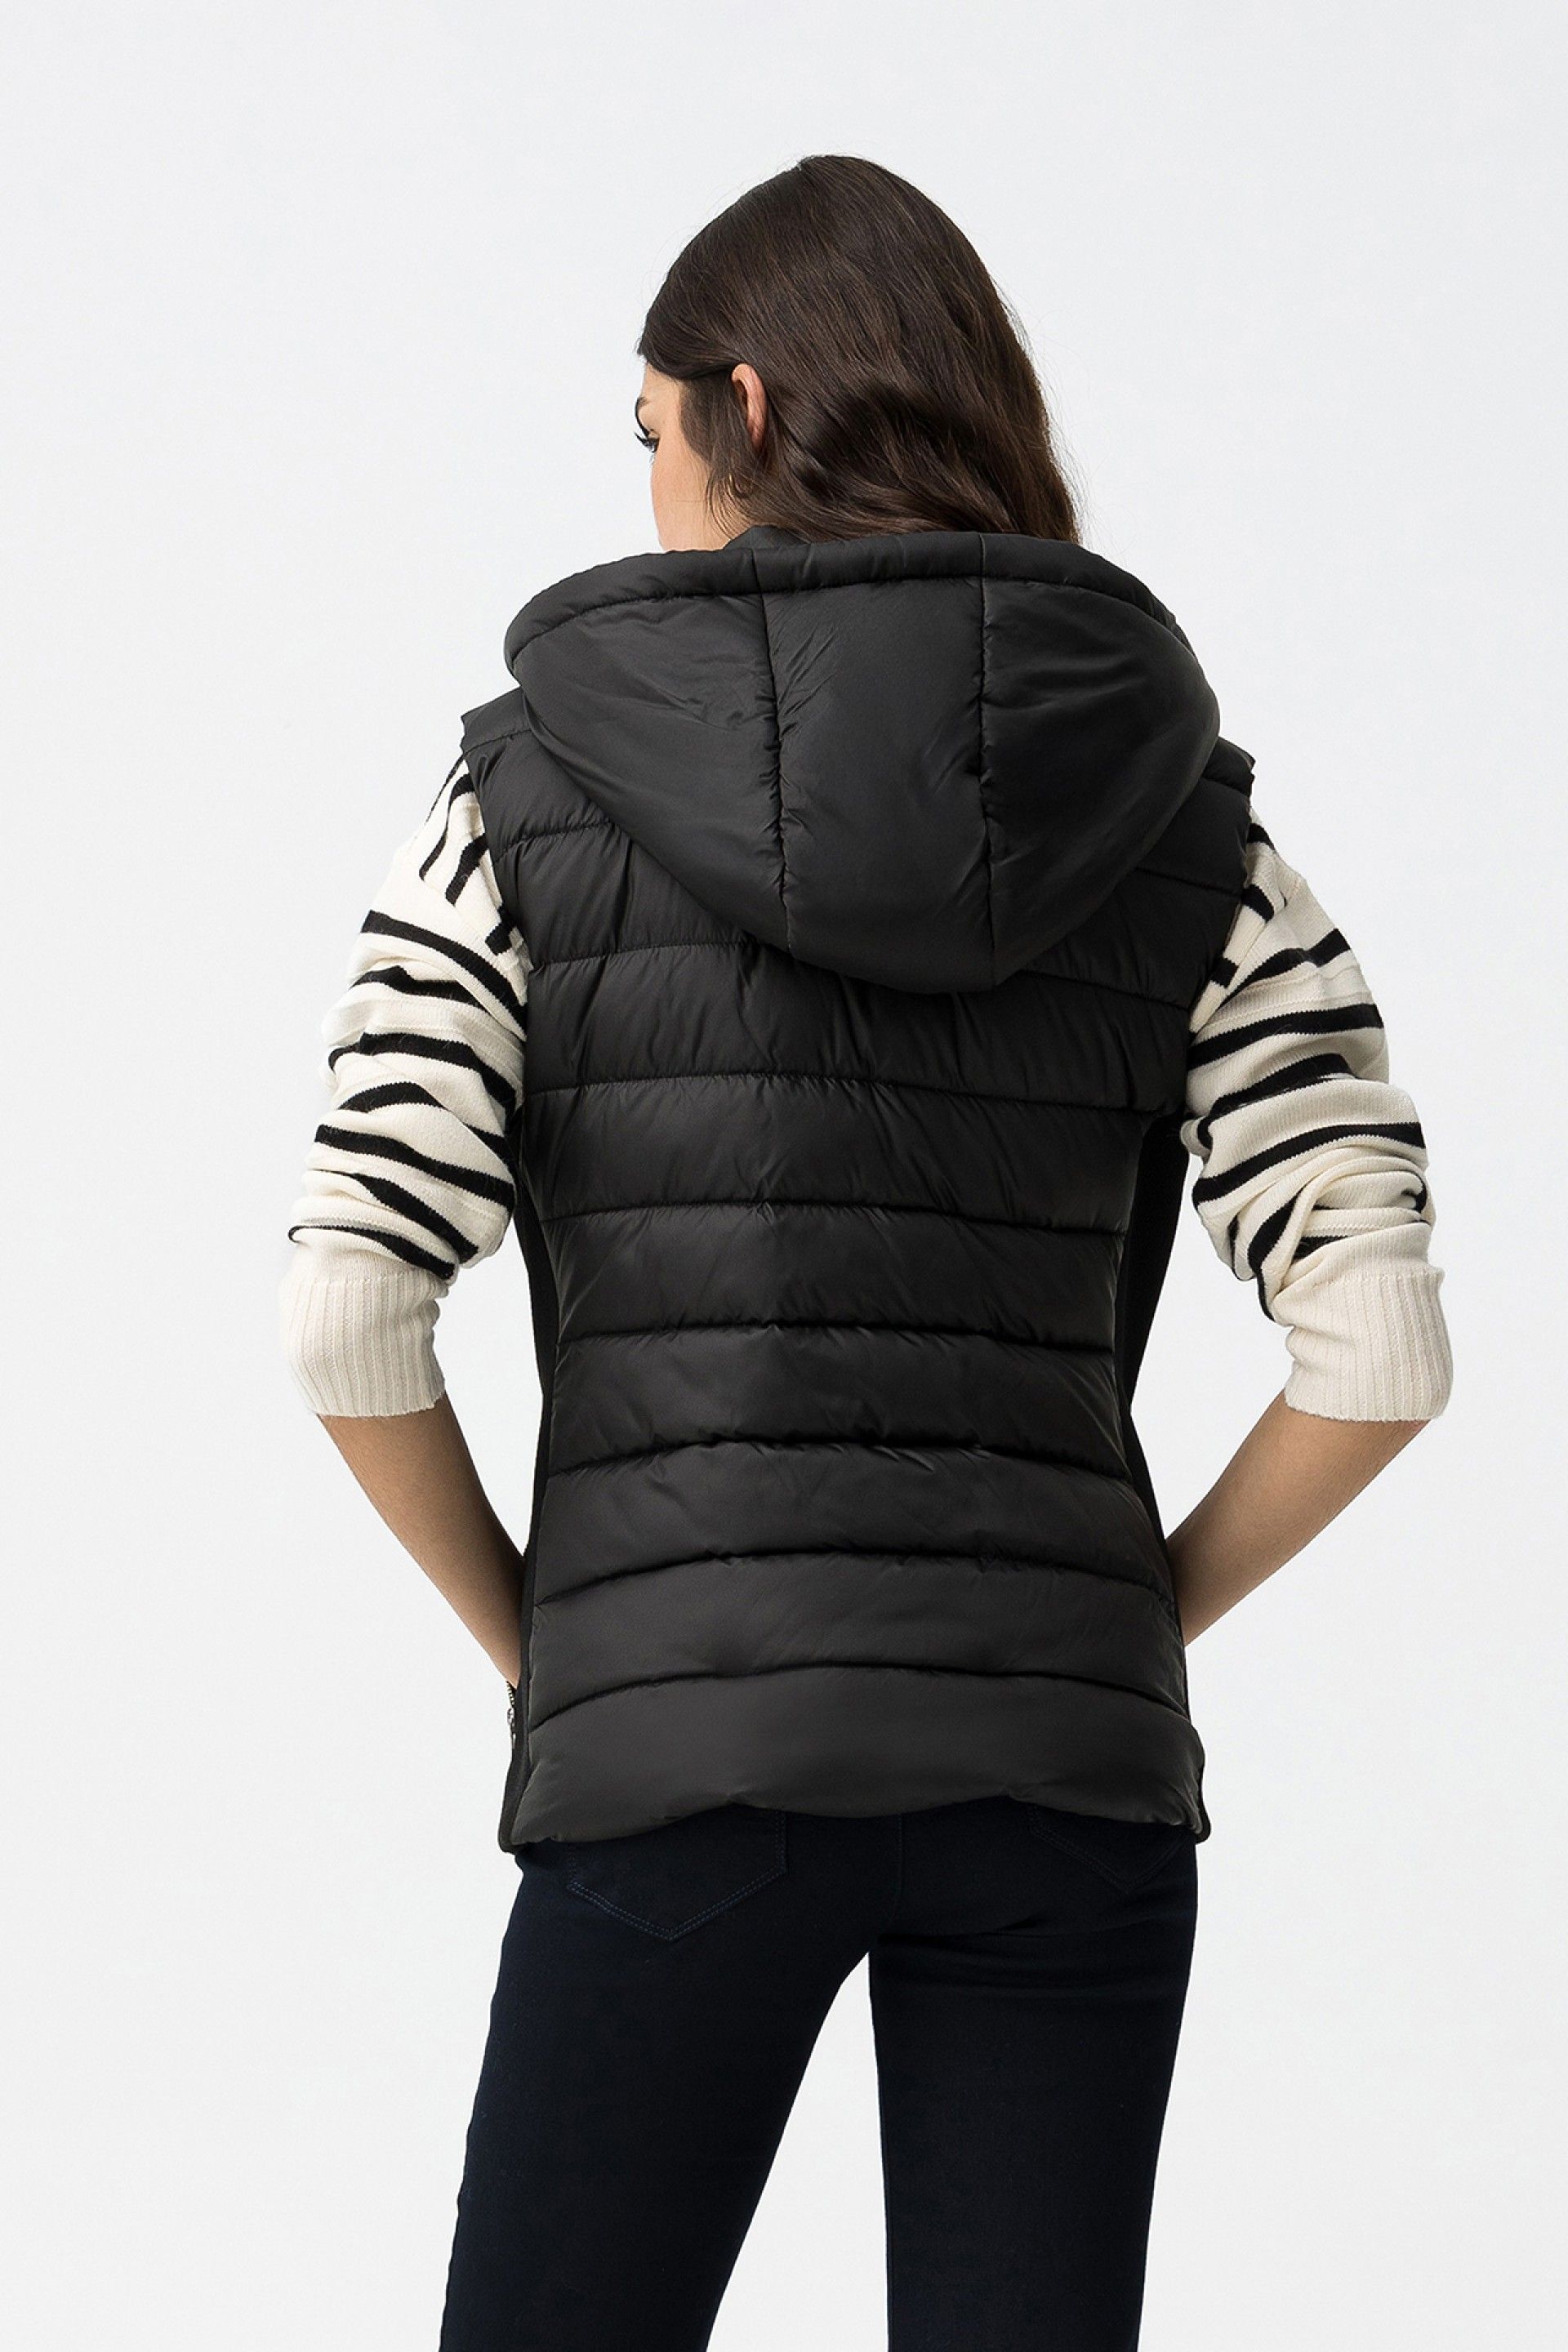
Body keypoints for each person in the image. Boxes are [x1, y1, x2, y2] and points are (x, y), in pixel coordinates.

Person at [278, 155, 1452, 2352]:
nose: (647, 493)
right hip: (1061, 1793)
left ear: (741, 407)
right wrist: (1112, 1622)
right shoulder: (1185, 812)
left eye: (648, 434)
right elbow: (1377, 1340)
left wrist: (556, 1649)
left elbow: (350, 1302)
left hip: (677, 1763)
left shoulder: (521, 797)